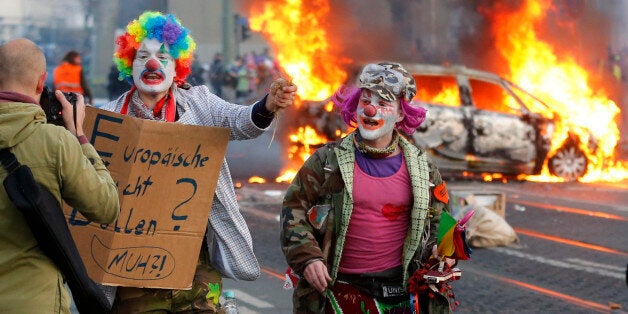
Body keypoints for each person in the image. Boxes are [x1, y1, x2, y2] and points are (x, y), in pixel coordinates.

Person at [100, 11, 297, 313]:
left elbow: (241, 121)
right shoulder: (110, 117)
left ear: (178, 64)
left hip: (194, 258)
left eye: (163, 57)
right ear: (130, 63)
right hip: (131, 264)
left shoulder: (199, 102)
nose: (153, 64)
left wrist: (267, 106)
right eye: (143, 56)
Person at [281, 62, 455, 313]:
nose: (371, 110)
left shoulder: (423, 168)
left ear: (400, 113)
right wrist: (307, 258)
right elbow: (293, 210)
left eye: (383, 104)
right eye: (365, 101)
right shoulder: (327, 161)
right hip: (338, 292)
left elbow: (440, 222)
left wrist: (443, 254)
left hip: (399, 294)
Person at [0, 38, 120, 313]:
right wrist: (78, 135)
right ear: (42, 83)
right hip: (35, 302)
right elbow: (107, 207)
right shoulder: (54, 142)